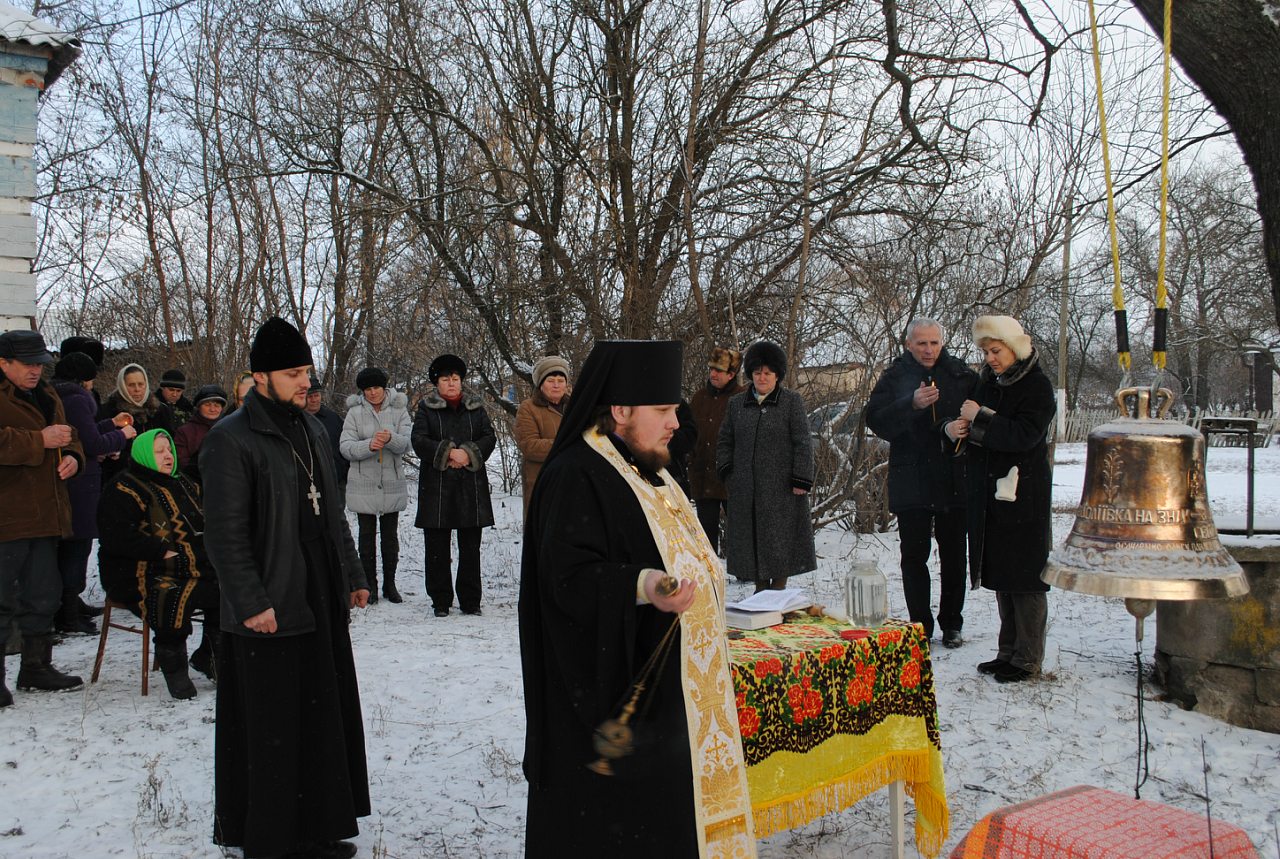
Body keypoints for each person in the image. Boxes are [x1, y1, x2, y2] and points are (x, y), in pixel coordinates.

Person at [518, 339, 756, 857]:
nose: (677, 422)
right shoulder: (574, 474)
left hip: (678, 696)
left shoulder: (654, 470)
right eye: (665, 410)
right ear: (621, 410)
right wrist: (644, 585)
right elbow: (564, 579)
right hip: (612, 696)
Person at [202, 317, 370, 859]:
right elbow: (224, 535)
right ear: (260, 376)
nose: (305, 381)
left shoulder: (313, 428)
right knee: (273, 727)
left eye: (307, 371)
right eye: (294, 372)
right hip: (270, 599)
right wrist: (252, 603)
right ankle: (272, 840)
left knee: (321, 716)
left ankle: (317, 827)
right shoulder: (231, 438)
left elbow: (332, 514)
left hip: (317, 592)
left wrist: (354, 574)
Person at [949, 315, 1055, 684]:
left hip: (1024, 493)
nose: (991, 358)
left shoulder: (1038, 387)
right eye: (987, 352)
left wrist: (981, 418)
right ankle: (1007, 652)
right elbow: (978, 426)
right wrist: (960, 428)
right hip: (993, 494)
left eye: (996, 351)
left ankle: (1027, 659)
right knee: (1004, 574)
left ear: (1015, 347)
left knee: (1025, 577)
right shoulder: (989, 382)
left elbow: (1024, 435)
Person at [866, 319, 977, 647]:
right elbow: (875, 420)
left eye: (934, 343)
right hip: (912, 478)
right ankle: (920, 626)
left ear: (942, 342)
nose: (929, 350)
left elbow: (980, 419)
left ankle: (952, 624)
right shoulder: (895, 376)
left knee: (955, 555)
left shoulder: (961, 375)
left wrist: (959, 430)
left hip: (953, 479)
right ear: (908, 345)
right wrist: (911, 404)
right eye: (921, 344)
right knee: (914, 556)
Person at [97, 429, 220, 699]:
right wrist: (158, 550)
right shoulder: (124, 488)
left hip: (189, 566)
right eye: (159, 451)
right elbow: (114, 535)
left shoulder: (184, 483)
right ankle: (173, 666)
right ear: (143, 455)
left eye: (169, 450)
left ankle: (208, 656)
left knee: (225, 590)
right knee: (171, 594)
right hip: (139, 571)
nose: (167, 456)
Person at [0, 329, 85, 705]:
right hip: (7, 517)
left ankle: (35, 668)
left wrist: (74, 457)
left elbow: (70, 435)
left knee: (43, 595)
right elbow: (42, 437)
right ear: (3, 363)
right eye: (28, 364)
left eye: (39, 363)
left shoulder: (48, 393)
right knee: (1, 600)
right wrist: (39, 441)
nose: (36, 370)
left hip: (46, 513)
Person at [716, 340, 817, 591]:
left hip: (782, 490)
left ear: (777, 376)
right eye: (758, 372)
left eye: (768, 373)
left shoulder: (791, 402)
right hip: (745, 490)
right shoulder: (736, 404)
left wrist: (801, 478)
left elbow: (803, 442)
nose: (762, 377)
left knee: (779, 544)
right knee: (752, 545)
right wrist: (728, 472)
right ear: (750, 373)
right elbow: (724, 440)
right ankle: (760, 592)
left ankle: (777, 592)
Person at [50, 351, 136, 635]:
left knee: (72, 546)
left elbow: (84, 435)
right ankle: (69, 612)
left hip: (75, 482)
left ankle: (70, 603)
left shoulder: (60, 395)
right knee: (77, 546)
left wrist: (111, 424)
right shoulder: (76, 399)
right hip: (80, 484)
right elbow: (92, 443)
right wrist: (121, 437)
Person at [411, 354, 495, 617]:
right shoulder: (426, 408)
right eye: (446, 379)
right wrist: (448, 453)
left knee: (470, 547)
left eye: (455, 378)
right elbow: (419, 439)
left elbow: (488, 437)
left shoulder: (476, 408)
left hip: (470, 486)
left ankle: (470, 600)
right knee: (436, 547)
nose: (451, 383)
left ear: (461, 382)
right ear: (437, 383)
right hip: (438, 487)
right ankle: (440, 600)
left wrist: (468, 453)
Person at [340, 366, 411, 604]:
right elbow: (346, 447)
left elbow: (406, 444)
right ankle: (369, 583)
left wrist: (390, 439)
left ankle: (390, 584)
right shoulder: (354, 413)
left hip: (391, 481)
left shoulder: (399, 409)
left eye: (376, 388)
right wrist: (368, 445)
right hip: (364, 483)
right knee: (366, 537)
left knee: (390, 537)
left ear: (385, 387)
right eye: (368, 389)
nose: (372, 393)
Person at [687, 347, 744, 552]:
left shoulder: (743, 398)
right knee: (705, 530)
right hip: (703, 475)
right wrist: (690, 457)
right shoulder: (699, 398)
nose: (713, 374)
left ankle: (744, 572)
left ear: (731, 374)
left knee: (740, 529)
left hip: (732, 476)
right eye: (711, 369)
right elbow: (688, 431)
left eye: (718, 371)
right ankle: (709, 574)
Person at [513, 355, 570, 517]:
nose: (556, 385)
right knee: (543, 531)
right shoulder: (529, 408)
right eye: (551, 380)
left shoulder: (575, 408)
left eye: (561, 380)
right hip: (543, 481)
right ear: (541, 384)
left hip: (573, 481)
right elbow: (529, 446)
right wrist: (568, 444)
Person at [99, 363, 174, 480]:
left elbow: (170, 439)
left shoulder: (160, 409)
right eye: (131, 385)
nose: (137, 389)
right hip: (122, 474)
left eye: (141, 384)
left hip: (157, 472)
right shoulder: (110, 411)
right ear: (123, 386)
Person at [173, 385, 227, 483]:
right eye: (207, 405)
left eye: (217, 405)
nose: (212, 409)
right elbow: (181, 463)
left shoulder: (229, 429)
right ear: (199, 406)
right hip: (195, 484)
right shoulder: (184, 432)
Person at [306, 373, 348, 497]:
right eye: (310, 396)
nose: (314, 399)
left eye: (316, 395)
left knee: (336, 516)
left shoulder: (333, 418)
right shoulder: (296, 420)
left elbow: (345, 444)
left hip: (335, 480)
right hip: (308, 483)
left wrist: (343, 472)